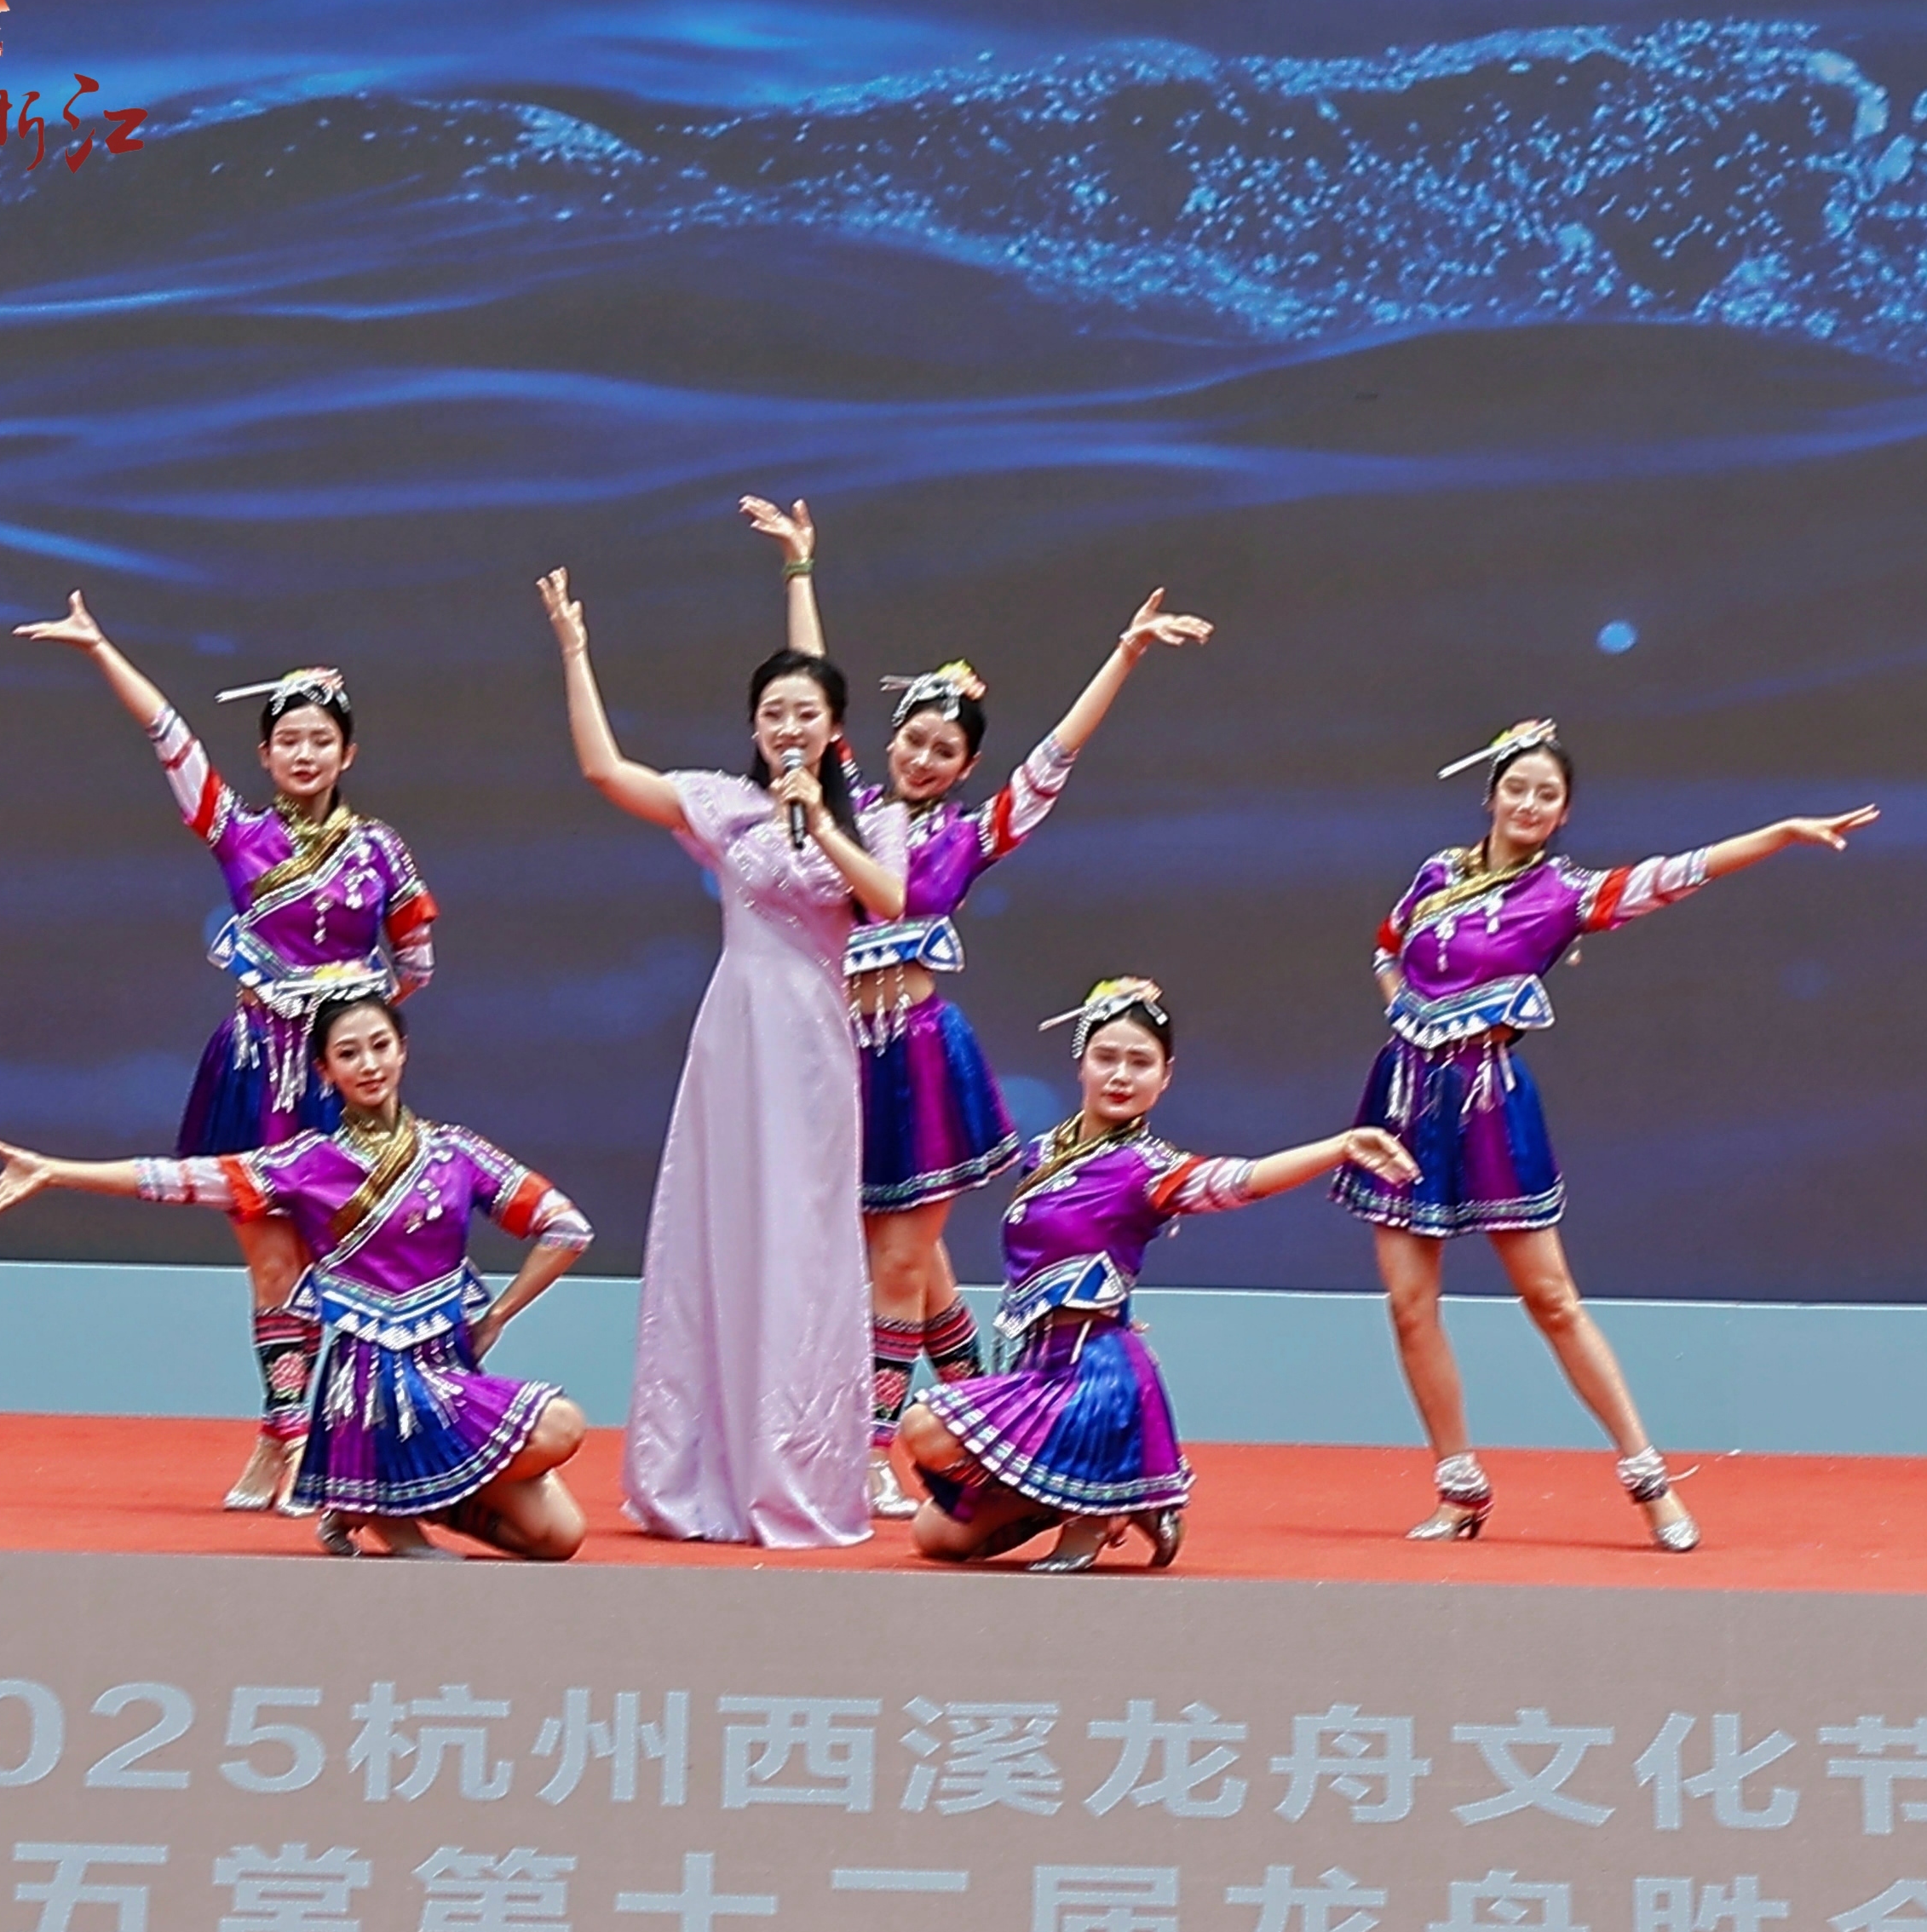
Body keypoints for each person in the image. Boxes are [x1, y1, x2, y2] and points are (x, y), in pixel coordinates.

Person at [741, 493, 1215, 1515]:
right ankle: (980, 1401)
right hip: (840, 1050)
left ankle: (871, 1447)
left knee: (897, 1255)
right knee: (913, 1257)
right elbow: (814, 694)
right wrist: (800, 569)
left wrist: (1125, 652)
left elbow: (1057, 755)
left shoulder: (972, 834)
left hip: (918, 1054)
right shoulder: (853, 805)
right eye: (913, 739)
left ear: (965, 766)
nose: (923, 757)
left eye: (944, 750)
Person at [1341, 718, 1878, 1550]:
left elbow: (1678, 873)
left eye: (1546, 794)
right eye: (1516, 787)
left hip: (1488, 1101)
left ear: (1563, 813)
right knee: (1411, 1308)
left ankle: (1648, 1478)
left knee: (1552, 1299)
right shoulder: (1436, 873)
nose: (1528, 803)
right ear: (1490, 795)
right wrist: (1406, 1015)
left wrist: (1777, 834)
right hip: (1404, 1100)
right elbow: (1386, 948)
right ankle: (1458, 1485)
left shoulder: (1566, 892)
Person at [15, 592, 437, 1514]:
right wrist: (101, 648)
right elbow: (168, 735)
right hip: (253, 1074)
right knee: (271, 1265)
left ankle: (335, 1447)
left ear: (348, 752)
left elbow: (415, 965)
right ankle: (282, 1440)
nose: (304, 752)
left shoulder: (382, 852)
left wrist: (345, 1033)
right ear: (264, 753)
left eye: (321, 738)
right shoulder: (237, 831)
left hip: (341, 1085)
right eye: (288, 739)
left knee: (349, 1265)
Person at [536, 565, 912, 1547]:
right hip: (733, 1037)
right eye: (772, 711)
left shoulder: (872, 818)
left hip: (813, 1045)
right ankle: (698, 1472)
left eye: (806, 712)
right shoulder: (724, 805)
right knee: (720, 1234)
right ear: (752, 723)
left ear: (835, 729)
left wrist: (817, 817)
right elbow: (607, 772)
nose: (787, 725)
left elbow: (889, 900)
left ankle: (796, 1468)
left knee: (800, 1244)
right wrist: (576, 651)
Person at [0, 994, 593, 1561]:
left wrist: (496, 1316)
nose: (369, 1064)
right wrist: (55, 1171)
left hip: (448, 1368)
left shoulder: (456, 1152)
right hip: (371, 1386)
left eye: (380, 1046)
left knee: (558, 1537)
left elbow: (566, 1229)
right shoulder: (307, 1164)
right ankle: (379, 1502)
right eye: (348, 1053)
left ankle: (378, 1496)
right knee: (561, 1425)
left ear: (403, 1050)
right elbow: (179, 1179)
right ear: (325, 1071)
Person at [899, 978, 1417, 1573]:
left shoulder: (1147, 1168)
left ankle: (1096, 1502)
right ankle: (1108, 1499)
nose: (1121, 1075)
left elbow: (1240, 1181)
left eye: (1140, 1063)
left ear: (1165, 1076)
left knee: (924, 1427)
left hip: (1093, 1382)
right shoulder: (1044, 1154)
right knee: (935, 1536)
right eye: (1107, 1057)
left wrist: (1340, 1147)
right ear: (1081, 1062)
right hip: (1036, 1369)